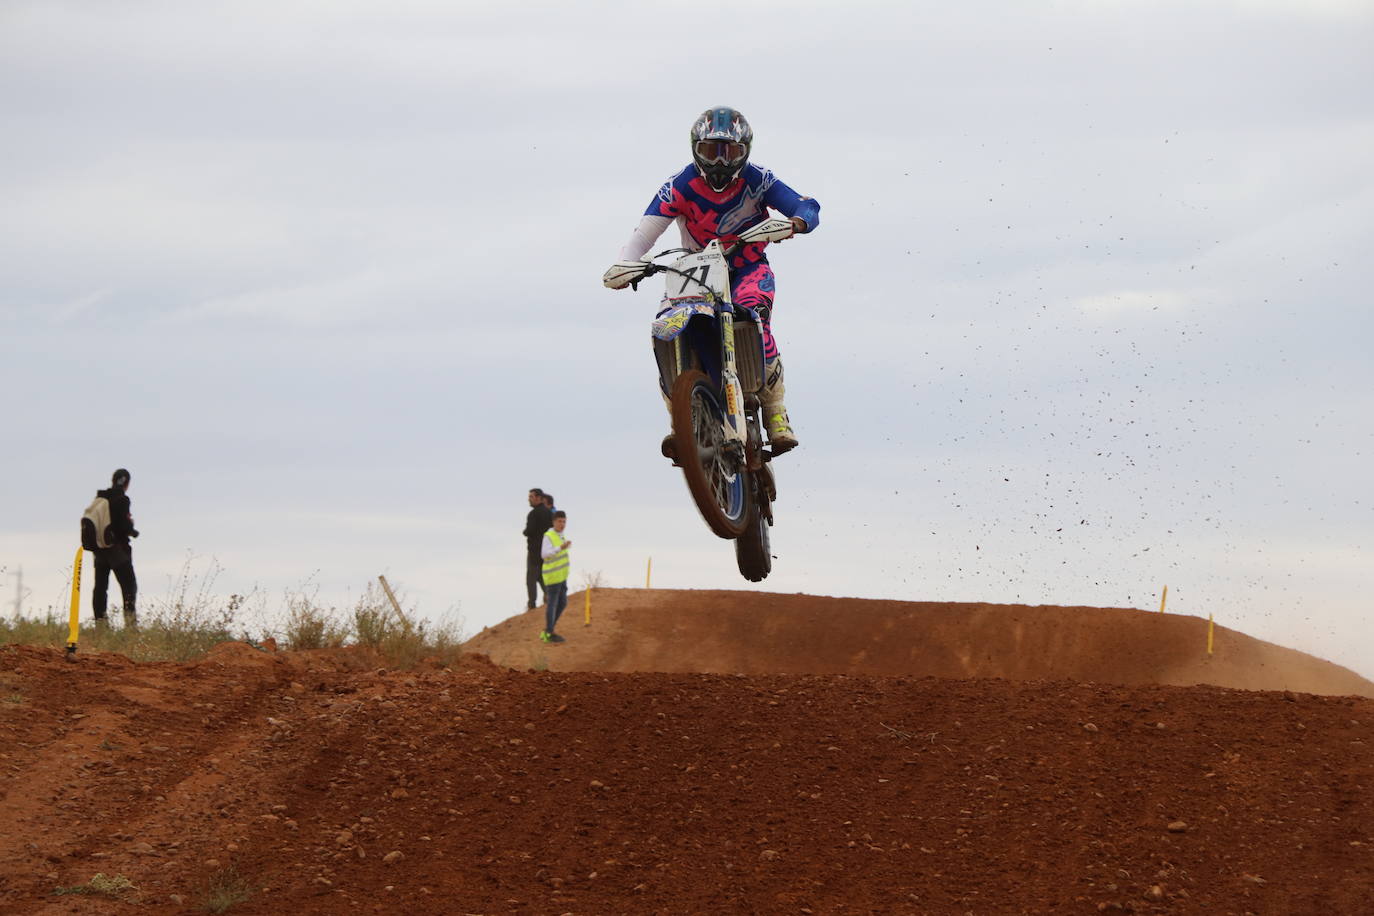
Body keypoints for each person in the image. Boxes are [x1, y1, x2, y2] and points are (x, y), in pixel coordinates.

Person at [603, 106, 821, 456]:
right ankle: (680, 421)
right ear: (695, 149)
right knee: (665, 328)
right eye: (711, 152)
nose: (720, 163)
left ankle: (775, 409)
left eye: (730, 153)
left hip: (747, 267)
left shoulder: (759, 179)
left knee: (754, 317)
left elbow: (806, 206)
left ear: (745, 152)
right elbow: (644, 234)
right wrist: (625, 265)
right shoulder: (679, 185)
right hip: (694, 271)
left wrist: (796, 222)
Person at [92, 468, 139, 628]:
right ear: (126, 483)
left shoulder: (101, 498)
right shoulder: (122, 500)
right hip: (117, 551)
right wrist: (132, 528)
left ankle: (101, 625)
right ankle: (131, 626)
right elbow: (123, 526)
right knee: (129, 587)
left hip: (99, 550)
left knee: (100, 588)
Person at [539, 511, 571, 644]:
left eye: (564, 521)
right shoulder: (549, 536)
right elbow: (544, 554)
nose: (562, 524)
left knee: (563, 603)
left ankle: (548, 629)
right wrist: (560, 548)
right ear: (554, 522)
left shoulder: (561, 535)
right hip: (552, 576)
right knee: (552, 604)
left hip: (562, 576)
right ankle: (549, 633)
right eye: (559, 521)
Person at [523, 488, 553, 610]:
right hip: (546, 551)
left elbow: (529, 531)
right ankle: (549, 596)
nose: (529, 499)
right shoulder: (550, 513)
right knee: (541, 576)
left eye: (531, 497)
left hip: (535, 551)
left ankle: (532, 604)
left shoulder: (533, 514)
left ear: (538, 498)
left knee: (531, 578)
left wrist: (525, 532)